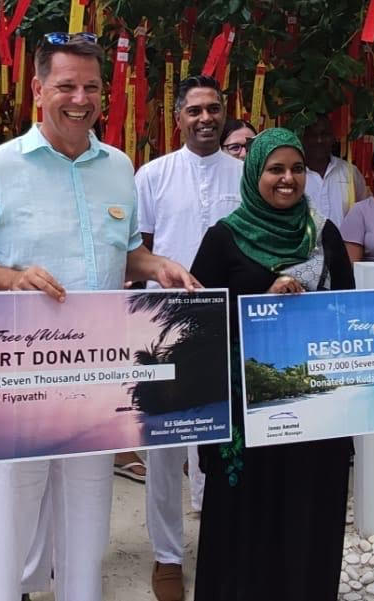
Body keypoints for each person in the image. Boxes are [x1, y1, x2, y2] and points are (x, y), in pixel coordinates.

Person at [0, 32, 199, 601]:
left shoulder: (118, 166)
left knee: (87, 518)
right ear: (37, 89)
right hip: (17, 373)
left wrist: (157, 266)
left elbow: (125, 251)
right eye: (66, 86)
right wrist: (11, 278)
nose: (80, 99)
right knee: (8, 521)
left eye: (91, 87)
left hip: (97, 375)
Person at [188, 128, 355, 601]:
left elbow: (349, 318)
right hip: (247, 412)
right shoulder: (224, 238)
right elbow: (196, 326)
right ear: (253, 174)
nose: (288, 179)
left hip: (315, 409)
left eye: (297, 169)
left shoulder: (324, 234)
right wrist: (263, 301)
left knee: (308, 513)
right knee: (245, 519)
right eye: (275, 169)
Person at [135, 75, 244, 601]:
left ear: (224, 114)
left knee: (224, 440)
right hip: (167, 322)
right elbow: (139, 250)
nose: (205, 118)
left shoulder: (246, 175)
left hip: (231, 320)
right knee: (162, 445)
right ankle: (167, 556)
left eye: (213, 109)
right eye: (194, 110)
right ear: (177, 117)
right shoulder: (153, 175)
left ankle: (225, 544)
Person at [302, 116, 368, 224]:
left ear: (333, 138)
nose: (319, 140)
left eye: (324, 134)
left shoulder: (350, 172)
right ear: (304, 139)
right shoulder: (294, 175)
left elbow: (365, 211)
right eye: (313, 135)